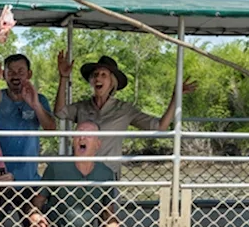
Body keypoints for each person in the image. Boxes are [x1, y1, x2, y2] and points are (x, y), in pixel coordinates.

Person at [54, 53, 195, 166]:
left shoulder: (124, 109)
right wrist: (63, 78)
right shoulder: (82, 106)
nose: (98, 78)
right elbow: (60, 112)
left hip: (108, 175)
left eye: (104, 75)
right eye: (95, 75)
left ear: (112, 83)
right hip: (81, 171)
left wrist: (175, 97)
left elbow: (159, 127)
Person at [29, 122, 119, 227]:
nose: (82, 138)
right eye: (78, 134)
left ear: (98, 144)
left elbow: (108, 214)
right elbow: (36, 202)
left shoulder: (106, 174)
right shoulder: (56, 168)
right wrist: (34, 215)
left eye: (89, 135)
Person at [0, 53, 55, 182]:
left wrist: (35, 104)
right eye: (11, 72)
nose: (15, 76)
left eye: (20, 72)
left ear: (29, 74)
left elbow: (51, 129)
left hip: (29, 178)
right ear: (4, 75)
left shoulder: (39, 99)